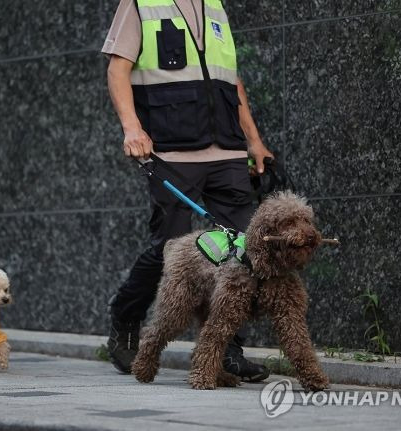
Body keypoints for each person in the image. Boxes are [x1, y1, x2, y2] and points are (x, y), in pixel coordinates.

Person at [102, 0, 274, 381]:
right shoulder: (141, 4)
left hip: (227, 149)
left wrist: (254, 141)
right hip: (169, 147)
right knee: (171, 248)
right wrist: (132, 129)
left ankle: (228, 348)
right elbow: (117, 68)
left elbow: (231, 80)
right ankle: (126, 316)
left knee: (242, 249)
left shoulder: (214, 5)